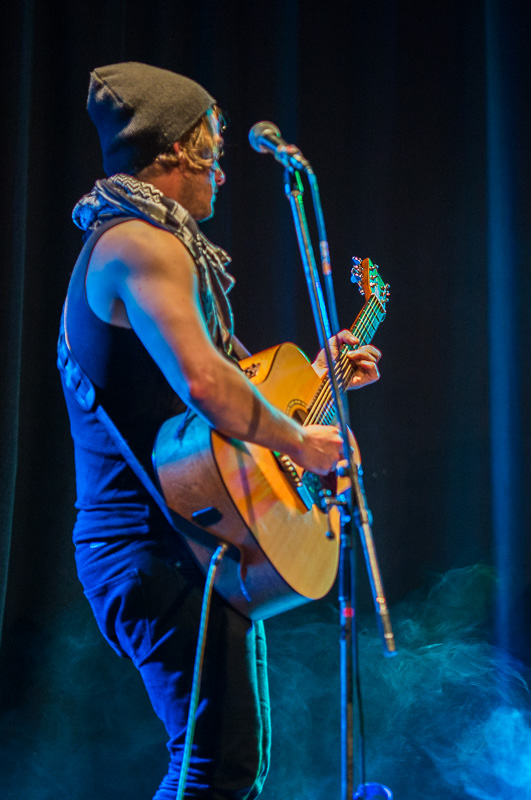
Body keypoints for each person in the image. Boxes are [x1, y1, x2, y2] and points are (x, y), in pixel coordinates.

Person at [59, 62, 381, 799]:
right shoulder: (141, 245)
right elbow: (207, 389)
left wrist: (321, 373)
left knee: (224, 763)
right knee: (215, 767)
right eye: (215, 151)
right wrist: (301, 443)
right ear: (174, 151)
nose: (223, 174)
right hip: (151, 546)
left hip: (184, 540)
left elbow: (225, 380)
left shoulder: (149, 243)